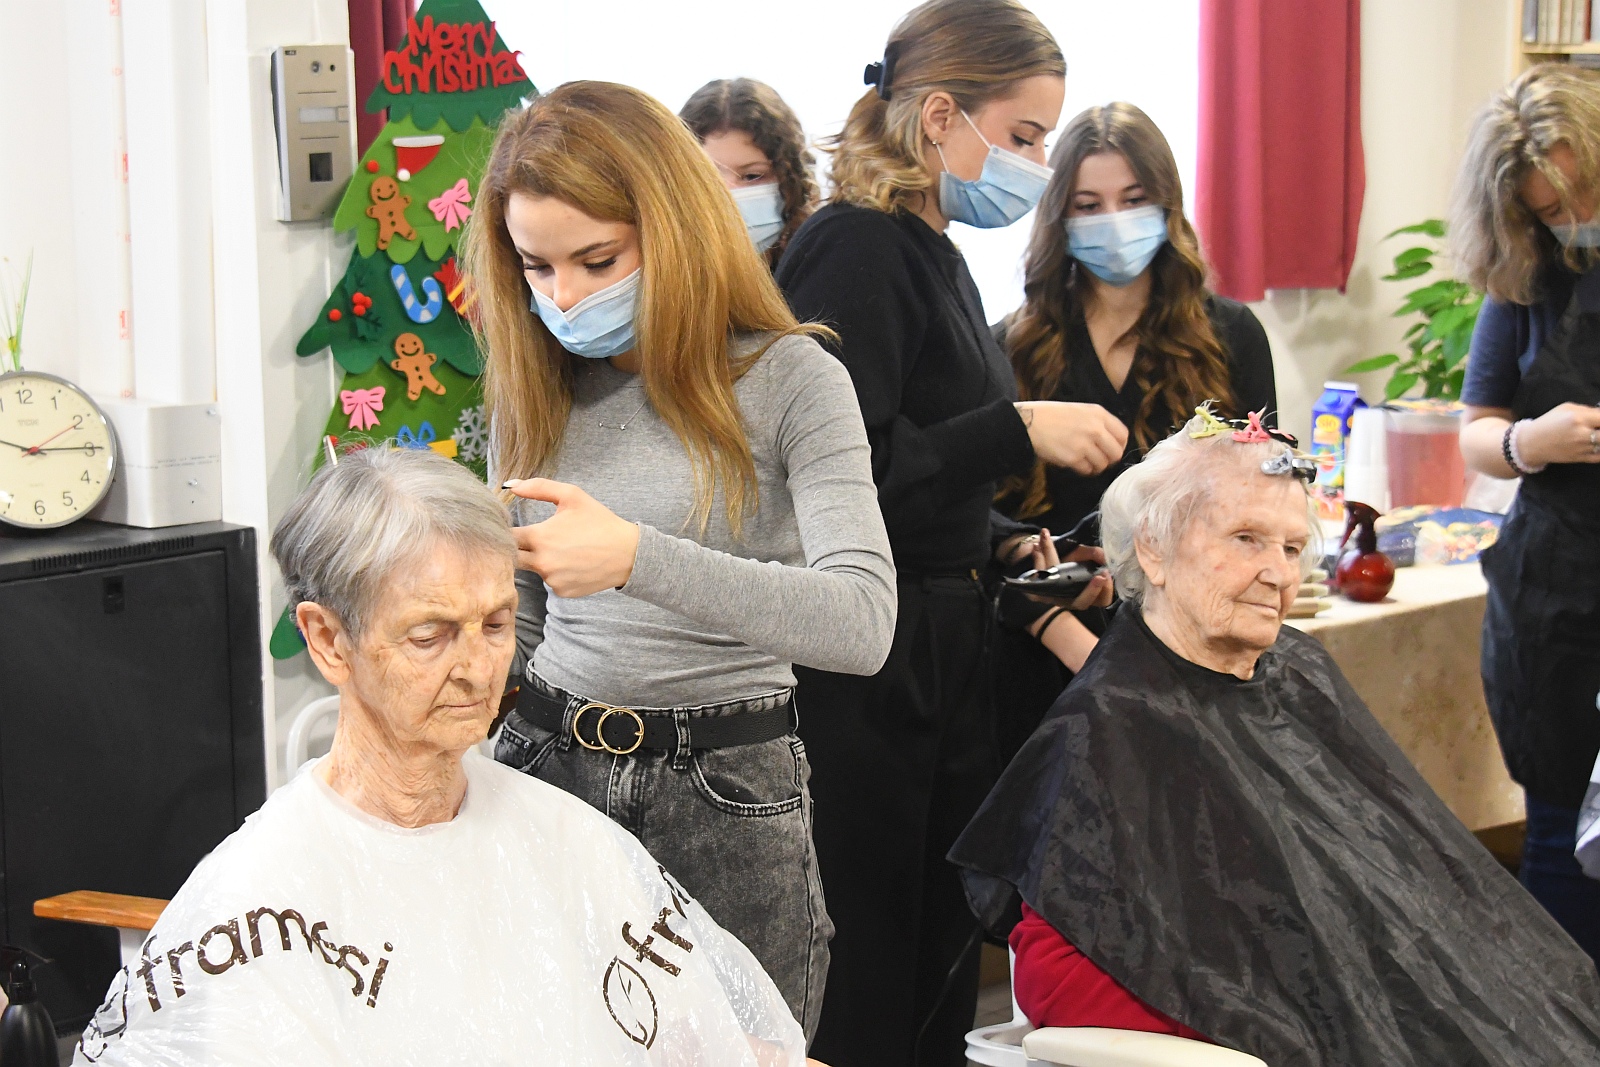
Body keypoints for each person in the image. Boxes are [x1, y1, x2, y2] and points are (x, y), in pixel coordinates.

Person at [73, 446, 815, 1067]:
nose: (477, 667)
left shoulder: (561, 834)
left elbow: (700, 1033)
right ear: (329, 639)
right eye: (429, 635)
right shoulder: (263, 896)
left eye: (494, 624)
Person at [950, 412, 1600, 1066]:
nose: (1277, 574)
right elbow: (1055, 973)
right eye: (1246, 538)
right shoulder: (1111, 722)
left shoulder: (1295, 667)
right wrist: (1276, 1018)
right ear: (1153, 547)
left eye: (1292, 548)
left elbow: (1401, 869)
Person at [462, 81, 897, 1042]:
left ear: (675, 229)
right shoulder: (534, 389)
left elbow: (862, 622)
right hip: (546, 766)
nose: (564, 295)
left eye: (598, 260)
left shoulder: (792, 380)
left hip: (726, 790)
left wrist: (636, 558)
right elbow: (528, 610)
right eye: (535, 266)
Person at [773, 3, 1122, 1062]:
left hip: (942, 647)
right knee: (873, 969)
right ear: (938, 117)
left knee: (935, 957)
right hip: (869, 675)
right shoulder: (853, 250)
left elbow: (928, 478)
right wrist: (1012, 426)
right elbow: (838, 478)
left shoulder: (936, 251)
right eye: (1023, 137)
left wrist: (1014, 538)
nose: (1038, 164)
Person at [993, 102, 1276, 735]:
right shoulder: (1007, 348)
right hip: (1040, 663)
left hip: (1194, 661)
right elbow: (983, 523)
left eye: (1134, 198)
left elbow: (1262, 508)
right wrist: (1064, 630)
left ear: (1169, 205)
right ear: (1060, 216)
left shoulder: (1232, 335)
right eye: (1089, 205)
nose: (1113, 222)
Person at [1452, 62, 1600, 965]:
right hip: (1551, 599)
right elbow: (1477, 433)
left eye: (1580, 191)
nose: (1571, 216)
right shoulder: (1524, 278)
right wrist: (1528, 445)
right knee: (1554, 835)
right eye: (1549, 208)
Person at [681, 78, 820, 266]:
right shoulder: (657, 275)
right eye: (709, 177)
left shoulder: (816, 267)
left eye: (752, 176)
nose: (730, 195)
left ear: (789, 181)